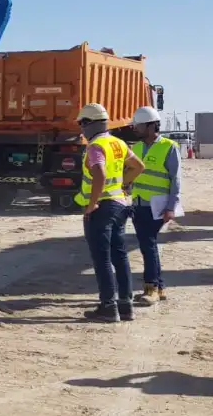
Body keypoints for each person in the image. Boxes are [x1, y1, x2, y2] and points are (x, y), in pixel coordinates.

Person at [74, 103, 146, 322]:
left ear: (89, 123)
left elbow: (100, 173)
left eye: (82, 124)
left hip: (102, 208)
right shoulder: (118, 143)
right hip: (120, 205)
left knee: (102, 258)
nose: (81, 129)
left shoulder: (95, 146)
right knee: (119, 255)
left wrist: (92, 203)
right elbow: (138, 166)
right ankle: (126, 305)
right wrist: (122, 185)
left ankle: (108, 307)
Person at [126, 105, 181, 306]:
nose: (135, 129)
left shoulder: (169, 147)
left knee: (148, 245)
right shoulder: (136, 148)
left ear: (151, 126)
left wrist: (171, 207)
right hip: (139, 203)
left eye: (138, 125)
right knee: (147, 245)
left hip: (158, 205)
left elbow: (175, 180)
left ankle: (151, 288)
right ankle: (159, 287)